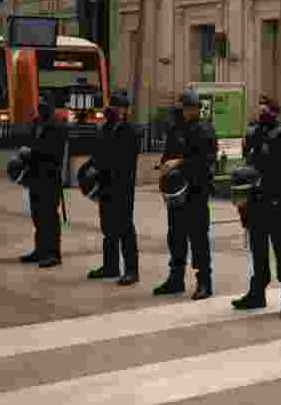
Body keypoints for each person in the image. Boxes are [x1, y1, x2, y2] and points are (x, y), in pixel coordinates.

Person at [232, 95, 281, 319]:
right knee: (258, 251)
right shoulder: (254, 135)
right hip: (255, 202)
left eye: (266, 109)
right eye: (260, 108)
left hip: (277, 203)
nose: (261, 112)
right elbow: (248, 165)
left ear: (275, 112)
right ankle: (257, 293)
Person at [153, 90, 218, 300]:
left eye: (190, 108)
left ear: (197, 108)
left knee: (198, 237)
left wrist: (180, 162)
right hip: (177, 190)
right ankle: (176, 278)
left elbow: (206, 160)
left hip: (197, 191)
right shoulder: (176, 128)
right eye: (184, 107)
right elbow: (168, 153)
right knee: (175, 236)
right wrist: (164, 167)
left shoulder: (205, 129)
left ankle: (204, 282)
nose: (187, 111)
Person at [88, 93, 142, 285]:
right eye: (113, 107)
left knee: (125, 227)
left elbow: (123, 158)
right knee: (108, 227)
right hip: (106, 184)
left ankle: (131, 270)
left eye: (120, 107)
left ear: (126, 110)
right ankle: (110, 266)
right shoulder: (106, 128)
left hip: (122, 185)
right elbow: (98, 152)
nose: (116, 110)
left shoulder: (130, 131)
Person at [20, 95, 68, 268]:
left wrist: (31, 153)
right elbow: (29, 141)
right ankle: (40, 250)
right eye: (39, 102)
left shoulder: (57, 125)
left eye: (44, 103)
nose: (40, 106)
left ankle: (53, 254)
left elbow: (53, 152)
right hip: (35, 176)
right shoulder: (35, 123)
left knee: (49, 217)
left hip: (50, 177)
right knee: (37, 216)